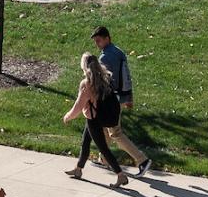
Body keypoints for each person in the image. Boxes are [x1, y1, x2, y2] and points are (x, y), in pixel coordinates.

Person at [62, 52, 130, 187]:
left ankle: (120, 175)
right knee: (85, 142)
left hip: (94, 119)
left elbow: (78, 106)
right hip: (98, 116)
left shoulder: (87, 83)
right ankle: (78, 169)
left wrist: (67, 117)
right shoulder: (104, 78)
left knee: (103, 148)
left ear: (83, 66)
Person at [94, 26, 152, 175]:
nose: (97, 44)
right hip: (120, 97)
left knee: (115, 133)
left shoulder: (105, 57)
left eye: (99, 40)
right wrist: (128, 97)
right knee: (105, 128)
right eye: (95, 41)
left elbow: (105, 82)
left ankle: (142, 160)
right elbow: (126, 77)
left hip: (111, 99)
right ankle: (104, 159)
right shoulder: (119, 52)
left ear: (107, 38)